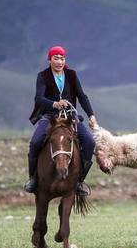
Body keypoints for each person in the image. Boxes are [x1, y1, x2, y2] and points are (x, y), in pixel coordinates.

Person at [24, 46, 97, 196]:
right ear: (49, 60)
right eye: (56, 58)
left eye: (62, 58)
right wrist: (54, 104)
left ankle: (78, 181)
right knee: (35, 142)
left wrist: (91, 115)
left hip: (70, 116)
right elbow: (38, 98)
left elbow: (82, 96)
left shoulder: (71, 75)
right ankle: (33, 179)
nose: (59, 61)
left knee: (89, 142)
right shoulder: (43, 76)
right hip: (50, 117)